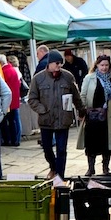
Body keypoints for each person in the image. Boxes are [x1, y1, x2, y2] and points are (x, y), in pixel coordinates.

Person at [28, 50, 85, 179]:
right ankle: (53, 167)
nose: (60, 66)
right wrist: (42, 110)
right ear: (50, 63)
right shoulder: (38, 78)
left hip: (63, 119)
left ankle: (60, 176)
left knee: (61, 150)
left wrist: (81, 110)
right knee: (47, 148)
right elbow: (32, 99)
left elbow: (76, 96)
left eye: (61, 64)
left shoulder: (68, 76)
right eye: (57, 63)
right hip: (46, 120)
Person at [77, 54, 111, 176]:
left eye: (106, 65)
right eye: (102, 65)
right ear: (97, 65)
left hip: (108, 116)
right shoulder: (89, 78)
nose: (104, 68)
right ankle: (91, 168)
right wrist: (81, 111)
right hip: (92, 116)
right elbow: (83, 96)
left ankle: (106, 168)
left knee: (107, 143)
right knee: (91, 143)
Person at [0, 53, 21, 146]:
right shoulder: (13, 70)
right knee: (14, 121)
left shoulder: (4, 72)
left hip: (8, 101)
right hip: (15, 100)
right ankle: (15, 140)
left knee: (7, 122)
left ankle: (8, 140)